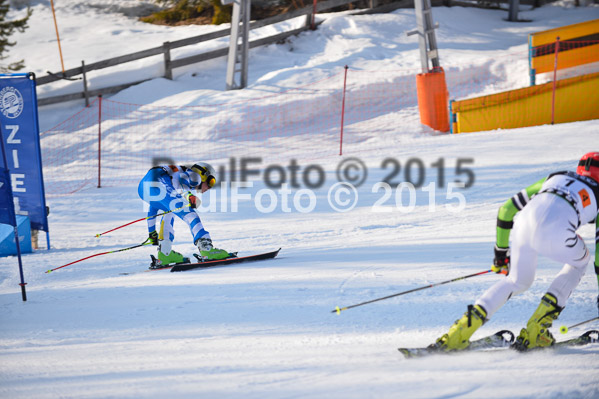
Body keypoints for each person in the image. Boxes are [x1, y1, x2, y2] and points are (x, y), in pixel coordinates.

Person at [432, 152, 599, 352]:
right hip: (559, 232)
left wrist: (501, 255)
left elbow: (506, 210)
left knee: (516, 281)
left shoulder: (556, 176)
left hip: (522, 226)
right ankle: (536, 329)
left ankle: (458, 333)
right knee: (580, 261)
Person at [137, 162, 230, 266]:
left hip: (143, 189)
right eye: (211, 182)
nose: (209, 187)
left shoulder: (174, 179)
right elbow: (184, 180)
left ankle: (165, 253)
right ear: (203, 175)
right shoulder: (195, 176)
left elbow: (153, 209)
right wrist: (189, 195)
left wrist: (151, 231)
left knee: (169, 213)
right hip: (157, 181)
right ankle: (206, 249)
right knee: (190, 214)